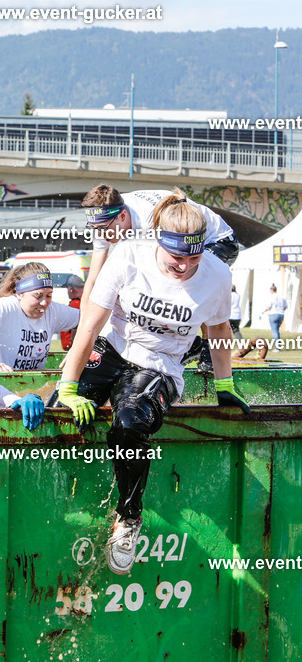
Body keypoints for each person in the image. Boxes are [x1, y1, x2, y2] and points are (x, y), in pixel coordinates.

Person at [56, 194, 250, 576]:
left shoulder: (215, 274)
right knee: (53, 414)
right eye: (176, 258)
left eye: (193, 259)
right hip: (110, 348)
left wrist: (224, 383)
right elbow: (89, 327)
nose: (184, 267)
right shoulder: (128, 255)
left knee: (129, 424)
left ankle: (128, 519)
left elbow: (219, 327)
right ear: (158, 241)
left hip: (159, 365)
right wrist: (67, 387)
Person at [79, 185, 238, 371]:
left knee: (186, 282)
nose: (102, 235)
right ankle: (192, 345)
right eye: (97, 230)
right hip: (184, 242)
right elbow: (93, 280)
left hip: (219, 241)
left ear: (122, 217)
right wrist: (83, 336)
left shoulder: (149, 223)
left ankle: (205, 347)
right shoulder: (104, 222)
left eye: (104, 230)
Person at [0, 263, 79, 372]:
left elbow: (88, 321)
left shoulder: (53, 310)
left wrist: (75, 349)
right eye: (38, 296)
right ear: (20, 294)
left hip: (31, 385)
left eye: (49, 295)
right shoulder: (7, 306)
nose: (44, 303)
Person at [60, 275, 84, 351]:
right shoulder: (85, 301)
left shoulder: (75, 303)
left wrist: (72, 343)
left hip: (74, 347)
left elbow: (75, 327)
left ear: (71, 289)